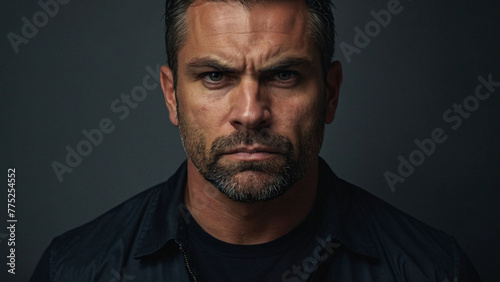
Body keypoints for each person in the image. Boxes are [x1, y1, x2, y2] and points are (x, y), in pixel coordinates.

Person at [32, 0, 481, 281]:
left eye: (284, 75)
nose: (250, 112)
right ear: (171, 96)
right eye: (215, 76)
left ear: (331, 93)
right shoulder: (74, 268)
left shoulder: (434, 270)